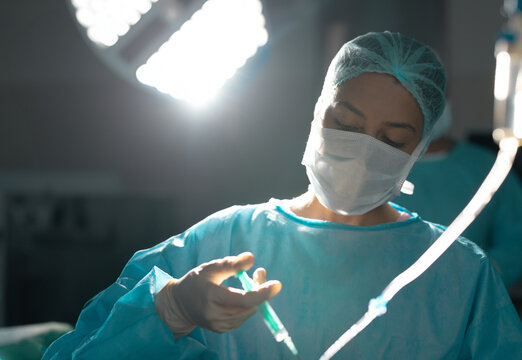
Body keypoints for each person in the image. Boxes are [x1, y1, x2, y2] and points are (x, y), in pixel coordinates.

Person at [43, 31, 522, 360]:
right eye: (346, 124)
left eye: (391, 140)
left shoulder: (459, 274)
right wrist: (170, 310)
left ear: (417, 151)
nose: (361, 150)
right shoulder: (224, 241)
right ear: (316, 116)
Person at [396, 101, 522, 289]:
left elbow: (515, 245)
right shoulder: (377, 170)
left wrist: (474, 276)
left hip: (471, 303)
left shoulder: (490, 168)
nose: (426, 105)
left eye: (432, 95)